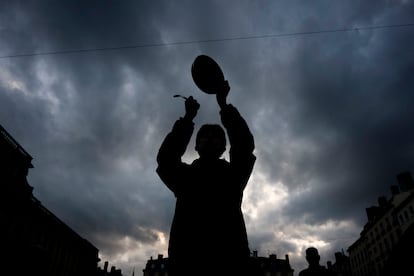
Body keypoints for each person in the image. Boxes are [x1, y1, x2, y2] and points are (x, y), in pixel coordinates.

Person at [156, 80, 256, 275]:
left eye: (216, 136)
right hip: (187, 263)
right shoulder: (185, 176)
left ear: (224, 147)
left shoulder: (233, 175)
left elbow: (244, 146)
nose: (209, 138)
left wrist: (224, 105)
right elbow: (165, 160)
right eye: (204, 136)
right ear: (196, 146)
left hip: (231, 263)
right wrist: (187, 119)